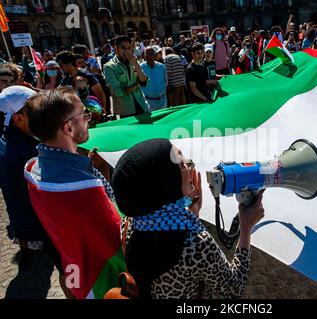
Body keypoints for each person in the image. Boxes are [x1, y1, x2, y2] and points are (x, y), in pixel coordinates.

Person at [110, 138, 265, 298]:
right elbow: (233, 289)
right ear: (165, 182)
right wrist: (246, 227)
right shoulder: (197, 244)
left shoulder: (129, 223)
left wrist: (192, 214)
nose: (189, 164)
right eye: (181, 164)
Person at [25, 87, 123, 298]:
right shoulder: (84, 187)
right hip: (104, 282)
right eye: (84, 114)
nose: (89, 118)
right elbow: (121, 236)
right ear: (68, 127)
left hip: (75, 272)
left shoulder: (34, 168)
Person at [0, 86, 49, 270]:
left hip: (23, 221)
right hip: (35, 225)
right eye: (35, 110)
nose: (41, 113)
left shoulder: (7, 141)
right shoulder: (28, 150)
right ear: (18, 119)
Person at [103, 35, 150, 117]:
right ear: (116, 49)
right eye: (123, 48)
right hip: (126, 111)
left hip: (142, 106)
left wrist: (136, 64)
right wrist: (137, 85)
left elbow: (145, 82)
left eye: (128, 48)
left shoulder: (133, 61)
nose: (126, 51)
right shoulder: (109, 67)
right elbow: (118, 92)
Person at [140, 46, 168, 111]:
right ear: (144, 56)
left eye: (152, 53)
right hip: (148, 102)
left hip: (162, 101)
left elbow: (165, 81)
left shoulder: (162, 67)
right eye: (148, 54)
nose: (150, 56)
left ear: (155, 55)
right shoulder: (140, 68)